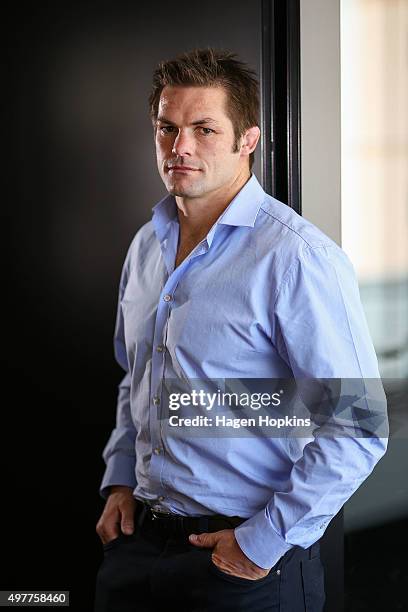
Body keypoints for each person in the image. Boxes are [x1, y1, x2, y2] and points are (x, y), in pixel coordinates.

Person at [94, 48, 388, 611]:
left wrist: (264, 543)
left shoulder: (295, 258)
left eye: (204, 129)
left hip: (245, 565)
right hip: (136, 550)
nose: (180, 148)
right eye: (167, 128)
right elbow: (138, 380)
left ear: (247, 140)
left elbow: (357, 426)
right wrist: (120, 479)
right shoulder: (144, 248)